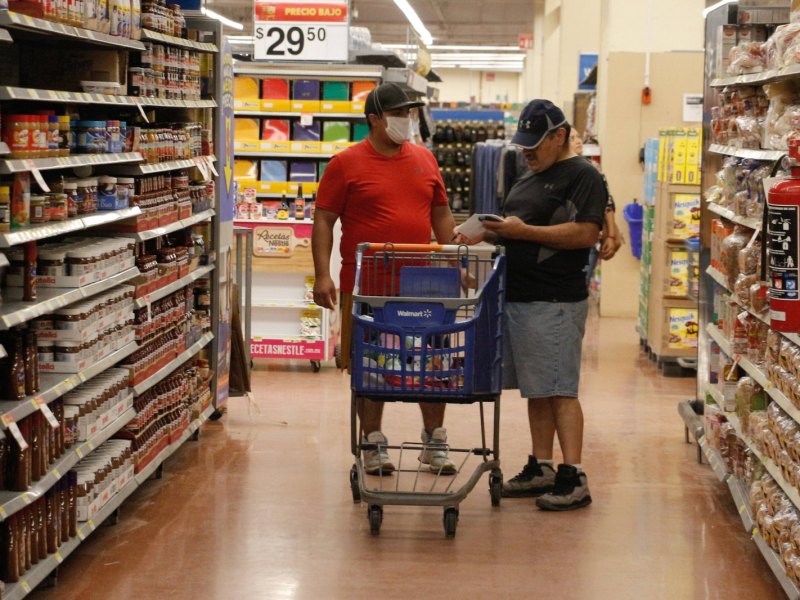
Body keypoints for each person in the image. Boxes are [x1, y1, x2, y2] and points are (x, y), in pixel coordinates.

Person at [455, 99, 606, 511]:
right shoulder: (528, 174)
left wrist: (525, 231)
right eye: (522, 146)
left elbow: (585, 234)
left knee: (560, 389)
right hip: (520, 296)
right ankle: (542, 466)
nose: (527, 152)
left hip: (554, 299)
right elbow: (519, 232)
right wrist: (489, 233)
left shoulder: (582, 176)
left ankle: (573, 475)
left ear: (559, 137)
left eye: (534, 145)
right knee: (536, 390)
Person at [312, 82, 458, 476]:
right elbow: (324, 219)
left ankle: (434, 441)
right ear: (374, 119)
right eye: (399, 113)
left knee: (432, 363)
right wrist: (322, 274)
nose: (407, 120)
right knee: (371, 366)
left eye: (410, 113)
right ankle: (373, 442)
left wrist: (454, 258)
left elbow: (441, 212)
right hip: (367, 286)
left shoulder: (425, 159)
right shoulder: (345, 164)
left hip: (422, 285)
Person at [568, 128, 623, 285]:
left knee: (581, 284)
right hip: (568, 236)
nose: (578, 141)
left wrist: (611, 235)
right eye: (572, 139)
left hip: (590, 237)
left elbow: (607, 202)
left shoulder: (592, 167)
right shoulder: (560, 171)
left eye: (578, 137)